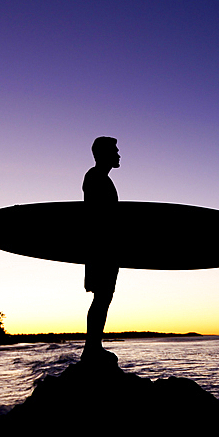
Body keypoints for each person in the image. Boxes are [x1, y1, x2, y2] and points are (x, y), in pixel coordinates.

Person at [82, 136, 121, 362]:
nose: (118, 155)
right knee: (101, 297)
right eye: (115, 150)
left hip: (105, 248)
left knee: (104, 297)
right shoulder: (95, 177)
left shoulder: (102, 178)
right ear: (103, 153)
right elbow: (97, 217)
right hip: (100, 249)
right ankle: (92, 348)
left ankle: (94, 346)